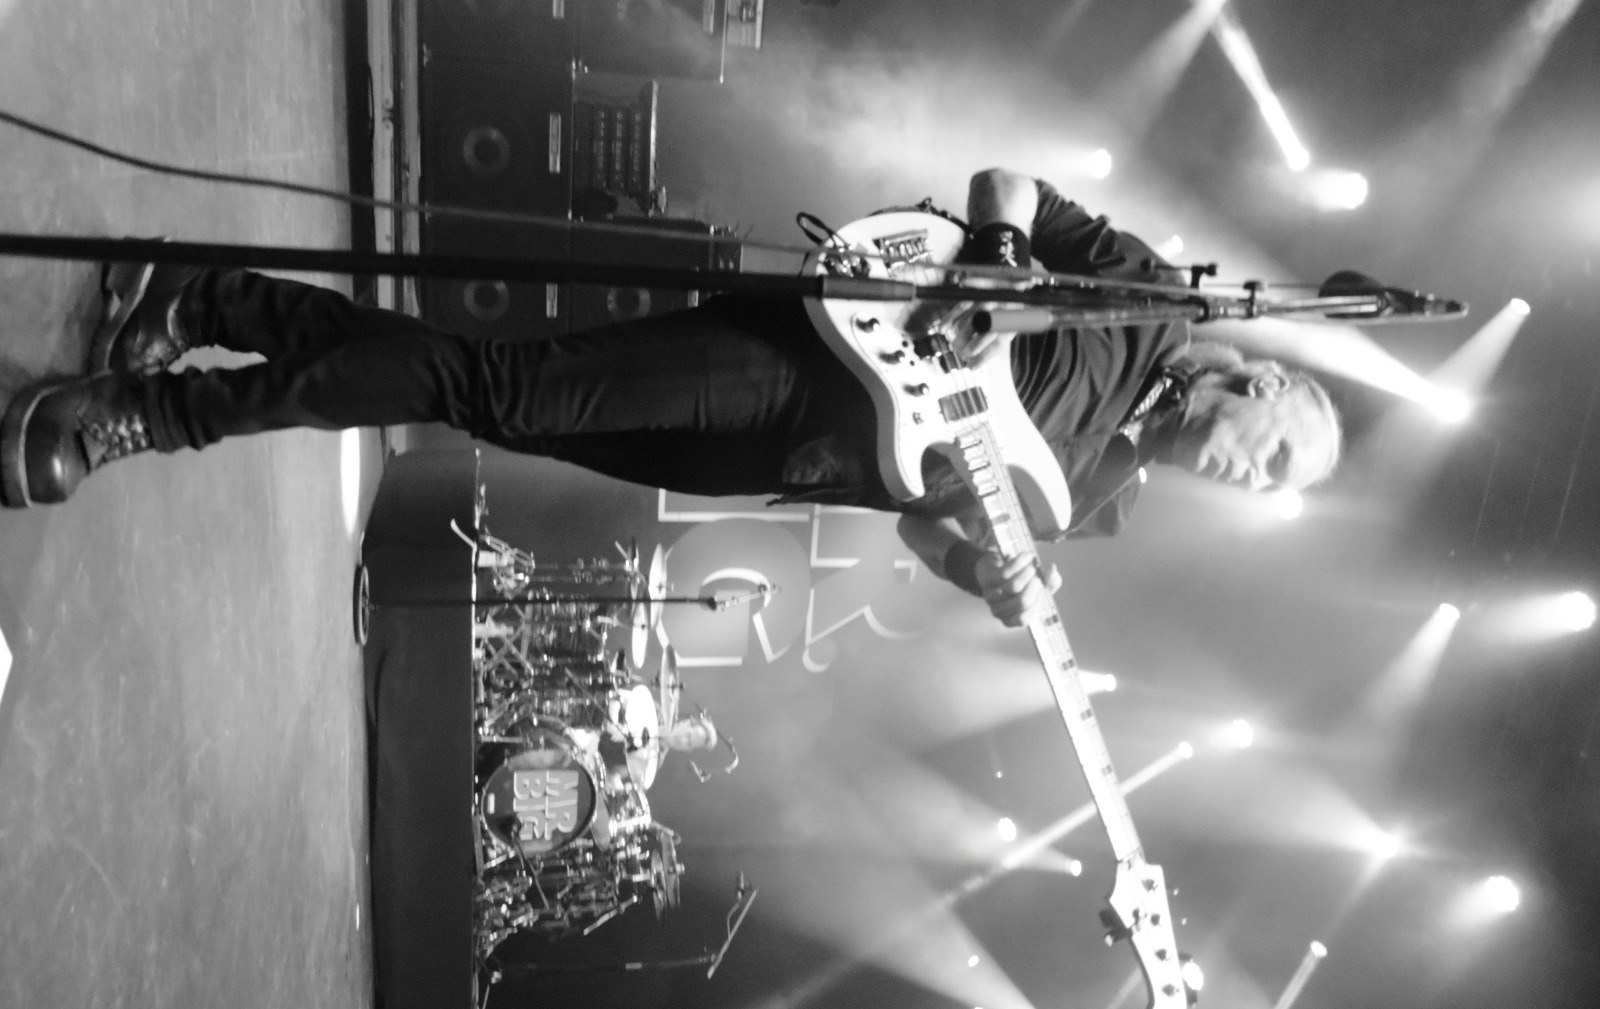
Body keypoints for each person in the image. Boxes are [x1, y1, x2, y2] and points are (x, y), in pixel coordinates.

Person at [0, 168, 1341, 626]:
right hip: (799, 362)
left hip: (797, 464)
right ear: (1269, 380)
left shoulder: (1103, 499)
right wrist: (996, 258)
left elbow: (927, 527)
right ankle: (152, 413)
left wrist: (981, 574)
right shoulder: (1151, 296)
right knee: (492, 382)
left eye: (1269, 491)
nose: (1253, 484)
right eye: (1277, 458)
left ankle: (203, 302)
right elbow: (1012, 189)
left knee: (493, 404)